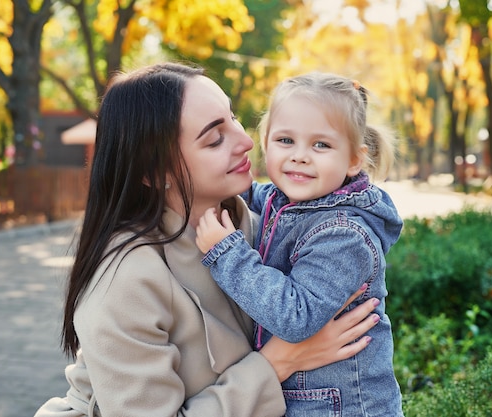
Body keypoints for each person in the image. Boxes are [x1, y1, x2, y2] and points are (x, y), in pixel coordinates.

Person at [34, 63, 382, 417]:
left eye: (234, 119)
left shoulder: (256, 226)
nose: (247, 142)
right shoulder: (124, 279)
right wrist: (277, 364)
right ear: (154, 173)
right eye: (215, 138)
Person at [195, 72, 404, 416]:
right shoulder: (289, 199)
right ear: (265, 143)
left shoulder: (343, 234)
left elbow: (297, 317)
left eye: (321, 145)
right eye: (285, 141)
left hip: (344, 408)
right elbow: (258, 195)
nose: (300, 156)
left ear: (354, 159)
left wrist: (226, 253)